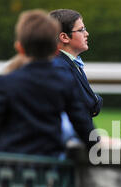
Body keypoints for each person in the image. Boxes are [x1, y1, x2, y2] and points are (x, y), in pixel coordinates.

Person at [0, 10, 98, 156]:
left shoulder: (4, 83)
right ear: (56, 48)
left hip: (9, 168)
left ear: (20, 48)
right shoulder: (64, 81)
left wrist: (7, 145)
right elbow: (83, 125)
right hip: (50, 168)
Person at [50, 9, 102, 145]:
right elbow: (87, 103)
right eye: (81, 30)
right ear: (64, 37)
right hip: (71, 146)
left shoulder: (69, 63)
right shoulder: (60, 66)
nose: (87, 33)